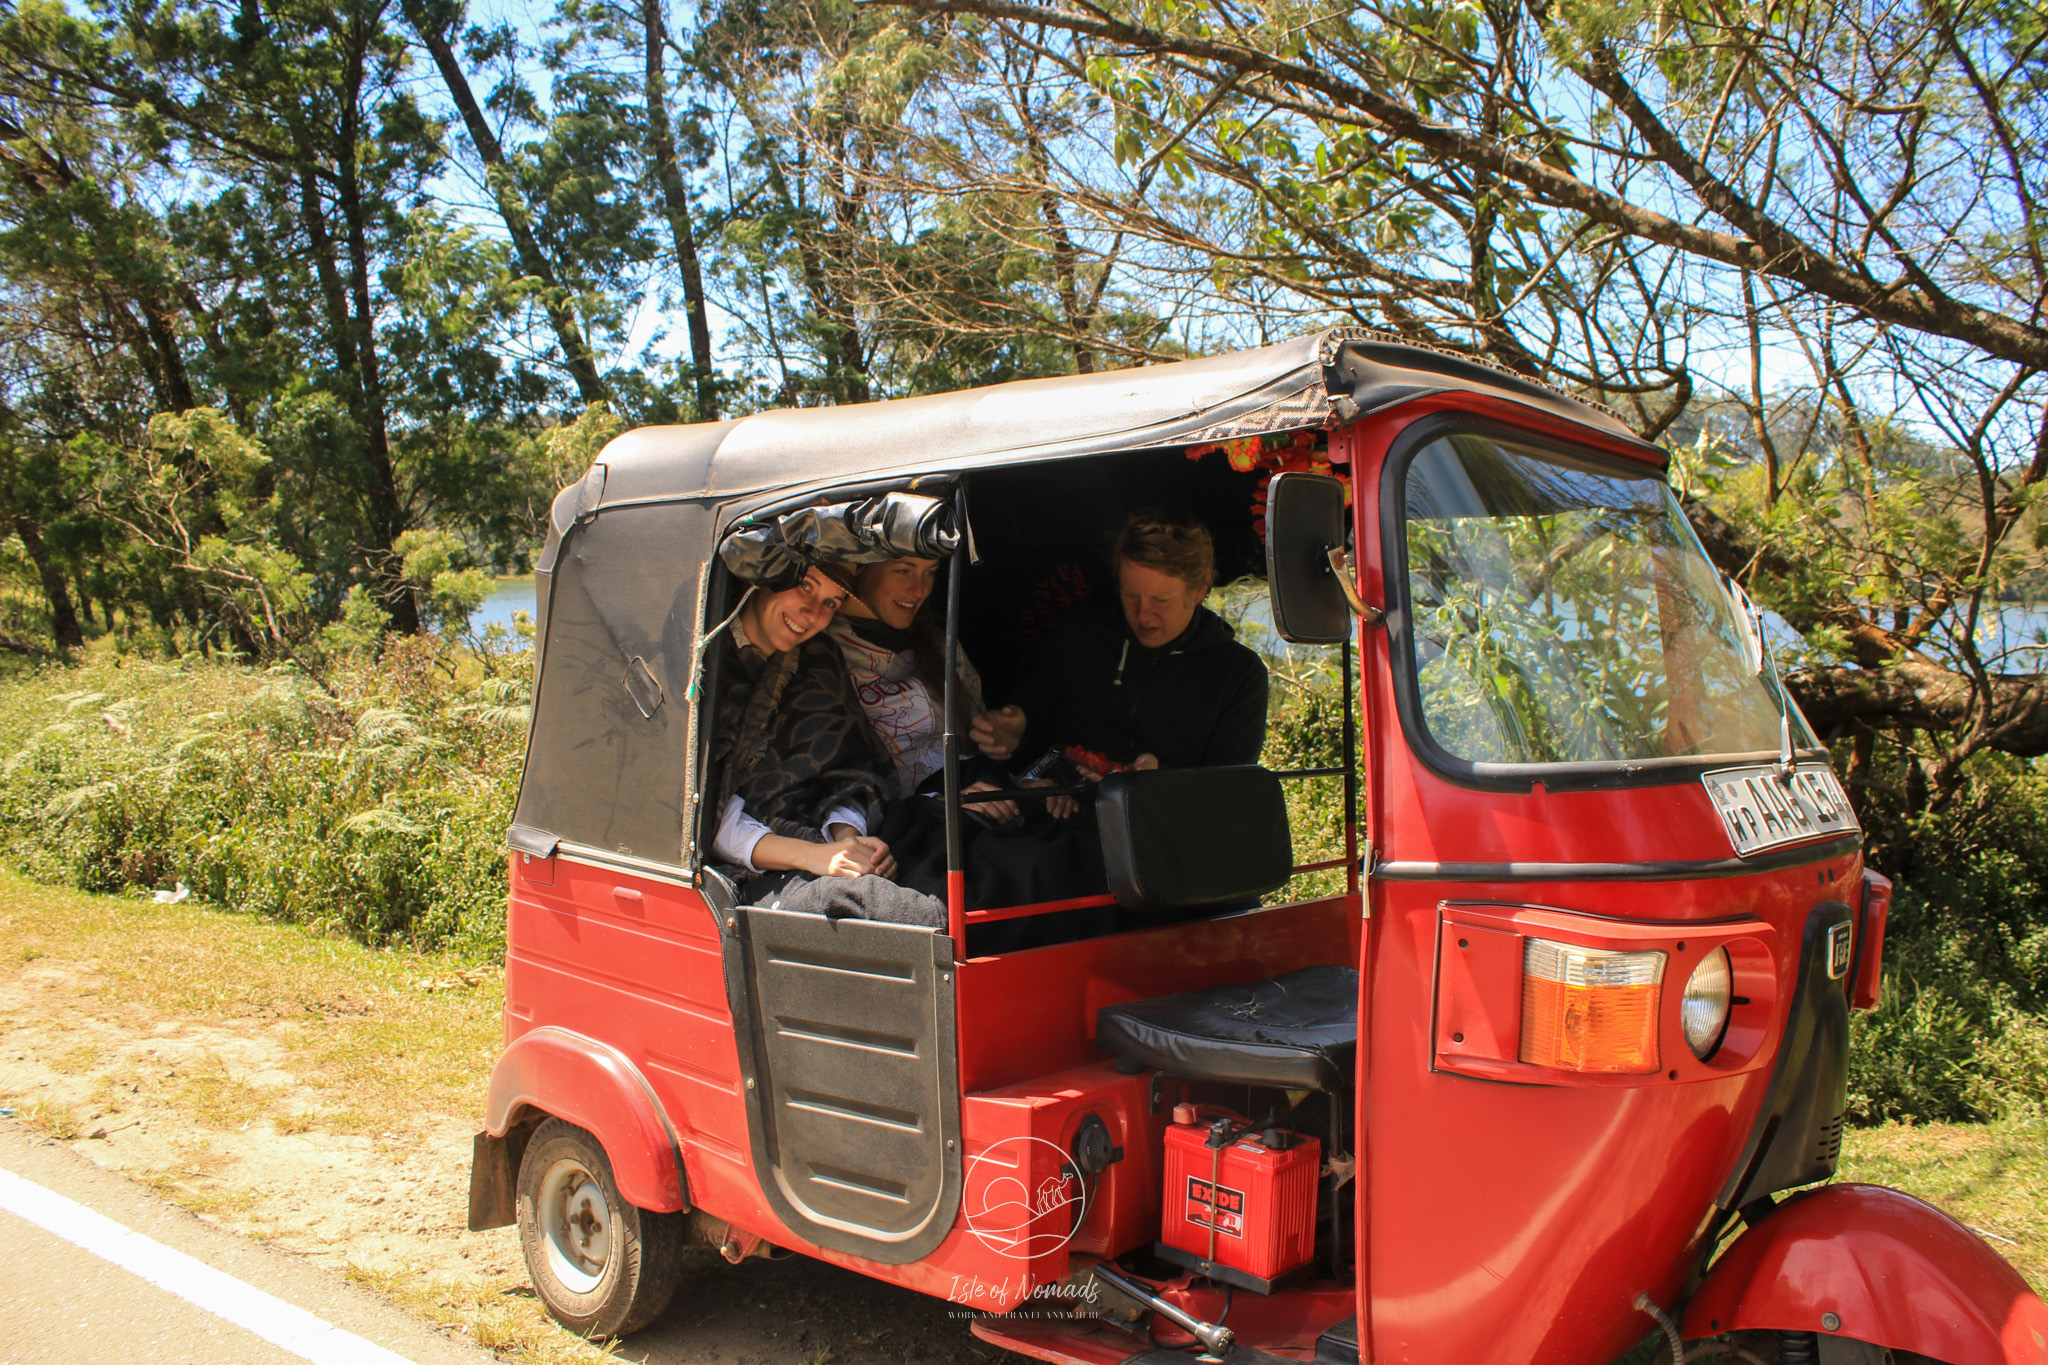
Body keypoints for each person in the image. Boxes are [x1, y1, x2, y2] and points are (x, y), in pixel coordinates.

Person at [970, 508, 1269, 801]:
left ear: (1199, 588)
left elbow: (1228, 793)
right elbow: (1037, 728)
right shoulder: (1081, 634)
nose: (1142, 614)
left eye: (1160, 599)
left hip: (1159, 829)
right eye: (1130, 595)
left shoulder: (1238, 673)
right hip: (1058, 810)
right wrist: (1014, 737)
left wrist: (1160, 779)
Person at [706, 566, 942, 926]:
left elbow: (852, 767)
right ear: (762, 581)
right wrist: (814, 856)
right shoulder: (703, 665)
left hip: (821, 846)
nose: (814, 614)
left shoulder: (819, 659)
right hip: (741, 870)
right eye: (804, 586)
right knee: (886, 910)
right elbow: (699, 818)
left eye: (831, 602)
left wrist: (850, 841)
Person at [824, 556, 1018, 822]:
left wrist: (1001, 744)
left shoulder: (939, 642)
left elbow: (979, 744)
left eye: (930, 572)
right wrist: (936, 804)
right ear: (861, 570)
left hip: (978, 801)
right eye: (903, 571)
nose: (919, 589)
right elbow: (837, 785)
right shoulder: (826, 651)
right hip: (898, 826)